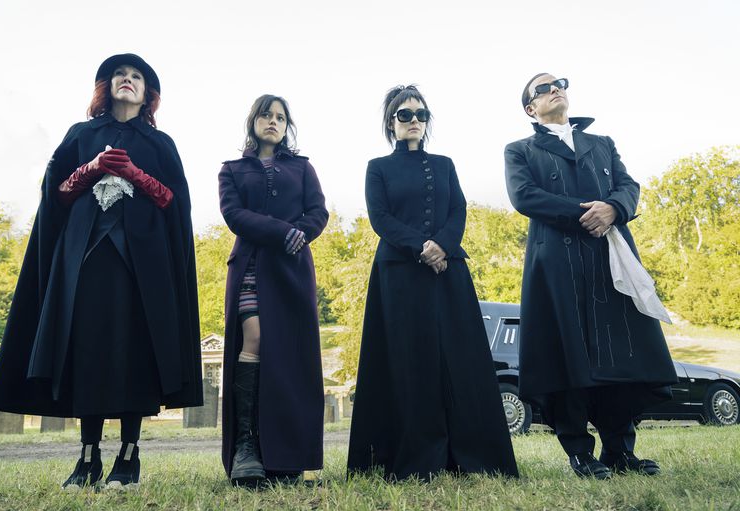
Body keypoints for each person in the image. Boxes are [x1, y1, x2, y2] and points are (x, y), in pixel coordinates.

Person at [0, 53, 202, 489]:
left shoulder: (162, 145)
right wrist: (91, 168)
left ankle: (129, 454)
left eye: (137, 76)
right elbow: (57, 193)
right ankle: (88, 456)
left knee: (135, 350)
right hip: (85, 258)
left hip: (144, 265)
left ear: (148, 93)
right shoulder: (81, 134)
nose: (128, 80)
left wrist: (135, 173)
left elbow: (173, 202)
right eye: (120, 74)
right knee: (87, 350)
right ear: (107, 86)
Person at [504, 73, 678, 479]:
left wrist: (614, 209)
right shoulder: (520, 149)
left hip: (610, 259)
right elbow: (524, 196)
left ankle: (620, 450)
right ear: (531, 109)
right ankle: (580, 453)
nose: (555, 89)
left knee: (621, 352)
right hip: (557, 264)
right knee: (568, 356)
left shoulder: (602, 144)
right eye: (543, 88)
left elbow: (628, 185)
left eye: (559, 82)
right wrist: (587, 214)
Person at [347, 85, 519, 481]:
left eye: (421, 115)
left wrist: (442, 246)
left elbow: (458, 208)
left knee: (459, 360)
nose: (414, 121)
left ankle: (469, 455)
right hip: (400, 274)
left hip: (448, 271)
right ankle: (415, 456)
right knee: (410, 361)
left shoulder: (444, 164)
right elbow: (381, 218)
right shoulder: (378, 167)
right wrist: (420, 247)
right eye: (405, 115)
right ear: (392, 123)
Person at [218, 95, 329, 486]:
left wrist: (301, 234)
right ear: (254, 122)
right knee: (257, 337)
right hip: (250, 264)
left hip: (292, 269)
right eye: (267, 115)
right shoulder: (231, 169)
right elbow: (234, 215)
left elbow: (318, 212)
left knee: (287, 353)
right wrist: (284, 231)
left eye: (280, 117)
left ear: (287, 126)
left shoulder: (302, 167)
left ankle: (285, 455)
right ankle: (246, 447)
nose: (273, 122)